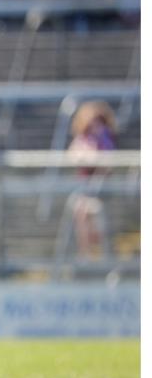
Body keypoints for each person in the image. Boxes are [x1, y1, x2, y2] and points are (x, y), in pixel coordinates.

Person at [67, 100, 117, 259]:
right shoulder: (82, 140)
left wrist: (95, 155)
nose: (96, 126)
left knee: (94, 212)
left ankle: (104, 256)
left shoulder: (106, 139)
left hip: (102, 191)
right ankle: (86, 255)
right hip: (85, 191)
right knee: (80, 210)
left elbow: (107, 163)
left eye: (99, 121)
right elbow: (74, 155)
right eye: (92, 123)